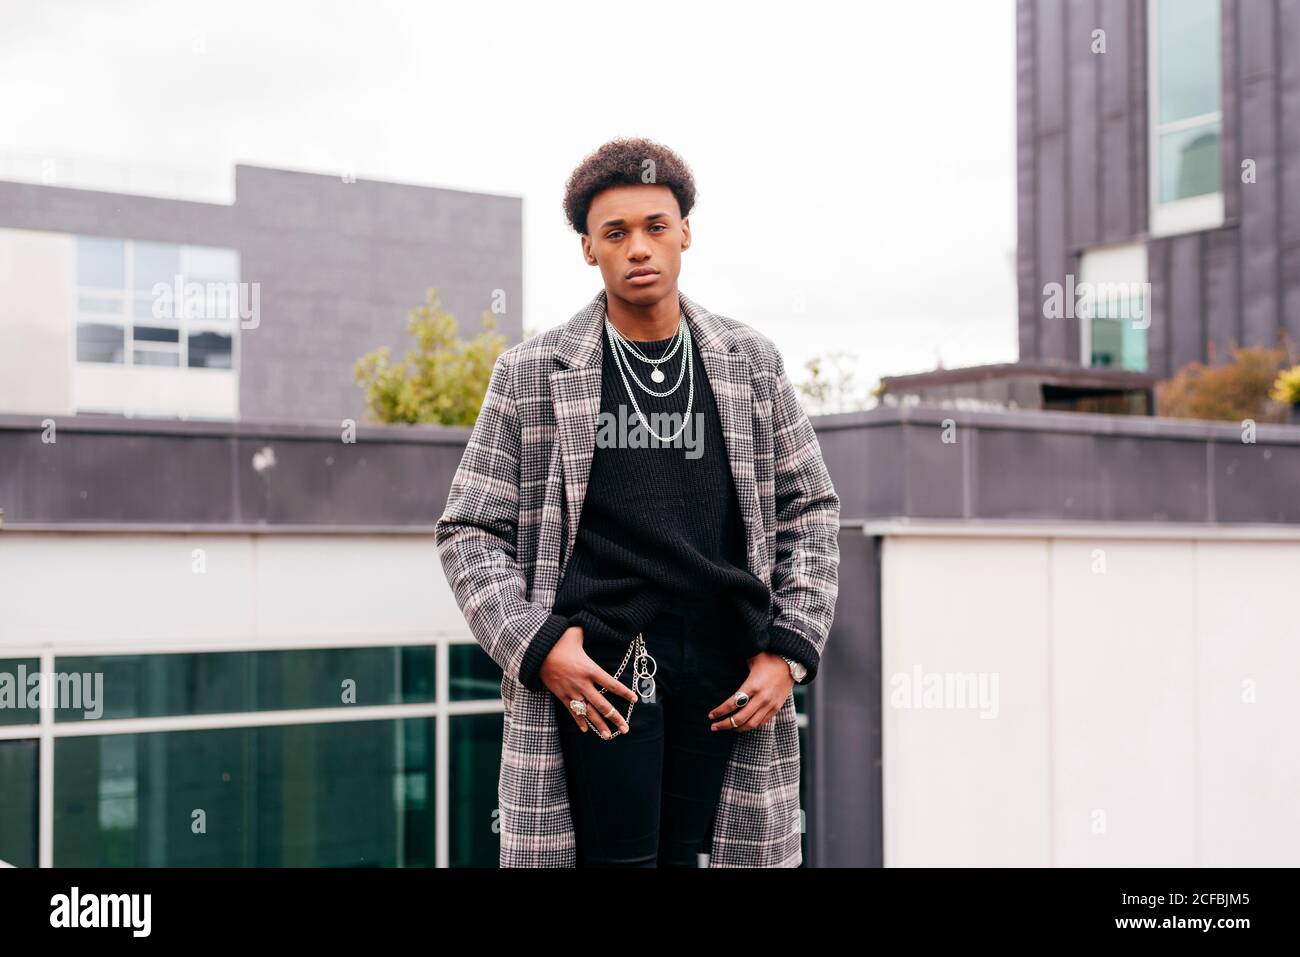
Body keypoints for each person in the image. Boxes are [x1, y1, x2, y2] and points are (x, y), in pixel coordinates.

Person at [435, 136, 840, 868]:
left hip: (727, 669)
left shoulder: (751, 363)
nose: (639, 248)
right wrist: (537, 644)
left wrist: (790, 651)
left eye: (656, 226)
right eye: (616, 233)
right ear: (589, 249)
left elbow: (809, 507)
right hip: (599, 672)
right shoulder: (532, 373)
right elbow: (467, 529)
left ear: (686, 231)